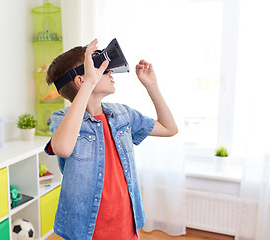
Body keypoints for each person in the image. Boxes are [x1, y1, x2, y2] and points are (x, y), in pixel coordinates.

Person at [44, 39, 178, 240]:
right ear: (81, 80)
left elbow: (169, 128)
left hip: (127, 224)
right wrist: (89, 83)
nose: (110, 72)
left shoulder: (122, 114)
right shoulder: (62, 119)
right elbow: (62, 147)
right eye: (101, 69)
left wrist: (152, 86)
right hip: (87, 231)